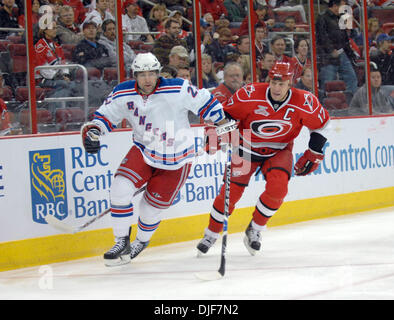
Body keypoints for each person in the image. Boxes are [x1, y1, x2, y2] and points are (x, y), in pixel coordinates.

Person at [80, 52, 231, 266]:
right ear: (135, 75)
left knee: (149, 209)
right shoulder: (123, 92)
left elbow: (206, 102)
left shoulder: (177, 88)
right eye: (142, 75)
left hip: (177, 159)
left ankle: (141, 241)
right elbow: (104, 117)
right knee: (119, 189)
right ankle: (121, 241)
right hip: (144, 149)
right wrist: (94, 132)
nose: (147, 79)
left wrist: (223, 123)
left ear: (158, 73)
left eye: (151, 74)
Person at [197, 61, 330, 256]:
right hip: (246, 146)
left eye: (282, 84)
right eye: (273, 83)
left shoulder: (305, 101)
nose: (276, 88)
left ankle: (255, 229)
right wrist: (216, 134)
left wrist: (315, 151)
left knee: (278, 190)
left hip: (279, 150)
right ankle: (211, 233)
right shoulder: (249, 94)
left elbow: (322, 124)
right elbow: (226, 116)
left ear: (290, 83)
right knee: (229, 193)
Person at [316, 0, 358, 96]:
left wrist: (350, 52)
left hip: (342, 52)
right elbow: (322, 37)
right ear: (335, 6)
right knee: (327, 82)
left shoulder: (340, 18)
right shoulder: (322, 17)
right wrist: (330, 50)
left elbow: (344, 37)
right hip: (328, 55)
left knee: (351, 78)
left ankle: (350, 102)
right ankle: (324, 105)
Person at [35, 21, 77, 112]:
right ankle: (55, 112)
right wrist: (61, 77)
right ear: (45, 30)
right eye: (53, 28)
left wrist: (65, 75)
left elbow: (63, 63)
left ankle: (64, 111)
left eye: (56, 28)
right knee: (65, 85)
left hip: (57, 78)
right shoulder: (40, 46)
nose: (55, 30)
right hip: (42, 80)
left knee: (73, 85)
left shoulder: (56, 46)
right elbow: (42, 69)